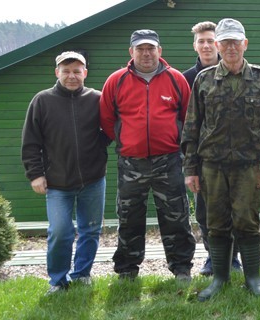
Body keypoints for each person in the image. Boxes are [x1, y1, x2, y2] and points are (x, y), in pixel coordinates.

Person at [182, 18, 260, 300]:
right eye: (225, 42)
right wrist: (190, 169)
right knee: (216, 223)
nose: (230, 47)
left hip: (247, 167)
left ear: (245, 44)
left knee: (247, 222)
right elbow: (191, 127)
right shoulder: (203, 80)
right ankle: (219, 278)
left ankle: (253, 278)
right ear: (217, 45)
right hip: (211, 167)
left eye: (235, 42)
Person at [100, 29, 196, 282]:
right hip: (131, 163)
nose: (146, 53)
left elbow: (188, 119)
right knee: (129, 217)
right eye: (140, 48)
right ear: (131, 52)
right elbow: (108, 119)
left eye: (150, 48)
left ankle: (181, 267)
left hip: (169, 160)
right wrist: (126, 141)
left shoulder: (176, 79)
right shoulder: (116, 80)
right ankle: (127, 269)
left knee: (176, 215)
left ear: (159, 51)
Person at [22, 51, 109, 295]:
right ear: (57, 72)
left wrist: (99, 145)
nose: (72, 75)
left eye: (77, 70)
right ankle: (58, 281)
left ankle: (82, 274)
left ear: (85, 73)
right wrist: (35, 174)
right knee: (60, 232)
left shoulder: (97, 99)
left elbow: (110, 128)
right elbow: (30, 142)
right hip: (57, 182)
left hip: (93, 179)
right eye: (66, 70)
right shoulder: (42, 101)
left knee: (91, 229)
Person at [181, 20, 242, 277]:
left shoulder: (235, 73)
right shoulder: (184, 80)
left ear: (217, 44)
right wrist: (189, 164)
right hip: (203, 162)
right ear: (195, 45)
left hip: (235, 159)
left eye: (210, 40)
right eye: (201, 41)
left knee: (236, 212)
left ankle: (234, 259)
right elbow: (185, 124)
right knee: (206, 214)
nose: (206, 46)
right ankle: (212, 257)